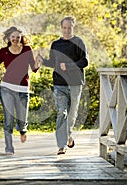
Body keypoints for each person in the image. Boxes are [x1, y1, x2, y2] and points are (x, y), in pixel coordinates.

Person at [38, 16, 88, 155]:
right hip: (59, 83)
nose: (66, 30)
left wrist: (69, 66)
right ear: (61, 28)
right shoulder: (56, 44)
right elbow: (53, 63)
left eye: (69, 28)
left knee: (72, 115)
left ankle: (68, 136)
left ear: (73, 27)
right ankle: (62, 145)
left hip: (75, 84)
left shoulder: (79, 42)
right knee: (62, 112)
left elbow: (85, 61)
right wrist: (43, 61)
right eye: (64, 28)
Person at [0, 26, 41, 155]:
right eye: (13, 37)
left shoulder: (27, 50)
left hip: (23, 89)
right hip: (7, 88)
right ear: (8, 38)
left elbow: (34, 69)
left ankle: (22, 130)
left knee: (22, 119)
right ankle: (9, 148)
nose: (16, 39)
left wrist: (38, 62)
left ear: (21, 38)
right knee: (8, 119)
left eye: (18, 37)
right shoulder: (3, 52)